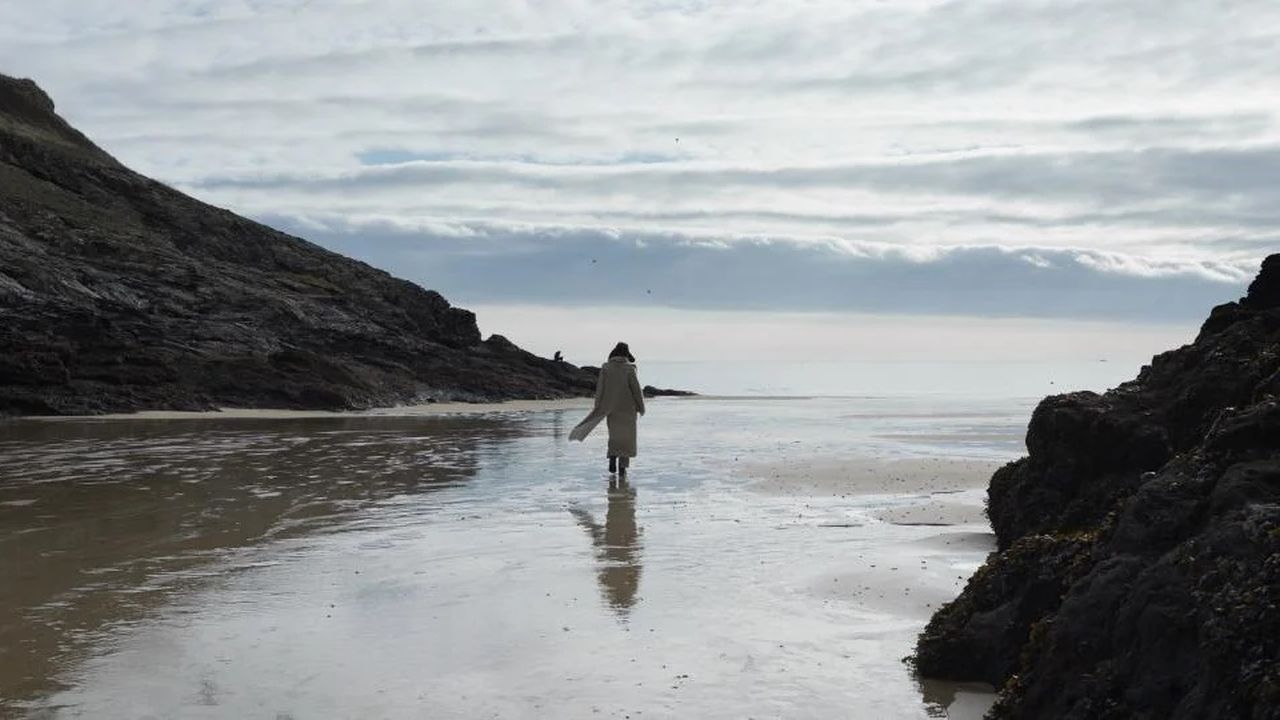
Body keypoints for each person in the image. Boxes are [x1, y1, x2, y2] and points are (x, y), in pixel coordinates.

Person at [569, 342, 645, 474]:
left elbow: (600, 389)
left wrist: (598, 406)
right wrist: (641, 407)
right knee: (626, 438)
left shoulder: (606, 368)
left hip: (611, 408)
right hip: (628, 409)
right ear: (626, 354)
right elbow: (636, 390)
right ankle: (622, 468)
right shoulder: (629, 369)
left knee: (614, 435)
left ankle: (612, 457)